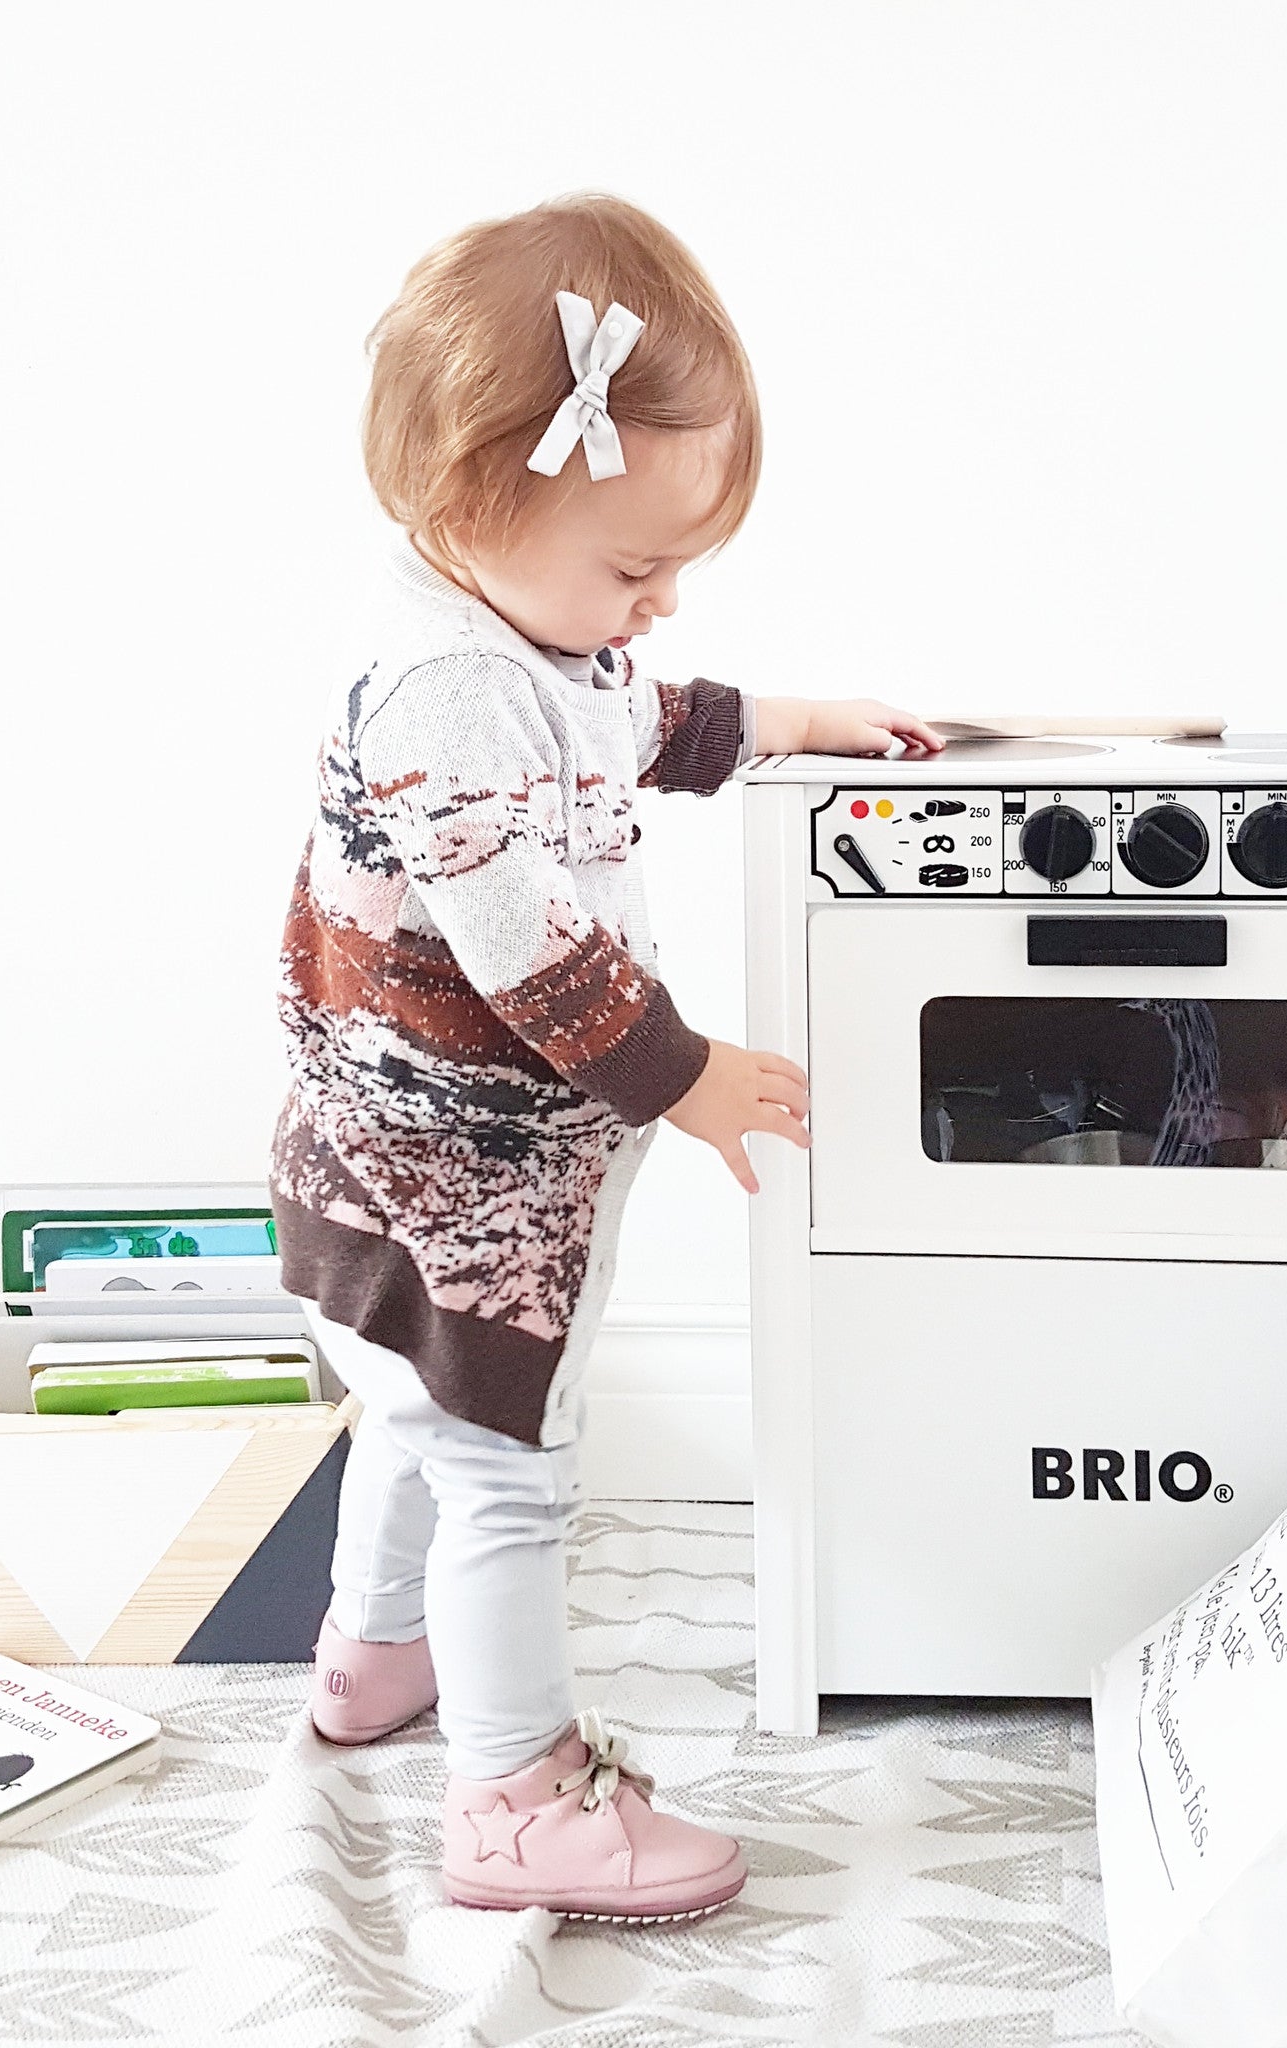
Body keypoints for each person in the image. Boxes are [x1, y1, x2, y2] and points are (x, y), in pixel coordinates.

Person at [269, 192, 940, 1922]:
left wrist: (786, 721)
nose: (657, 604)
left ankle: (370, 1658)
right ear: (460, 504)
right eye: (634, 567)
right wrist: (689, 1074)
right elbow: (526, 947)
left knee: (413, 1420)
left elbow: (628, 722)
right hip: (457, 1180)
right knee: (509, 1465)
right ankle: (511, 1799)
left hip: (410, 1167)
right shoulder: (440, 691)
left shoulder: (532, 646)